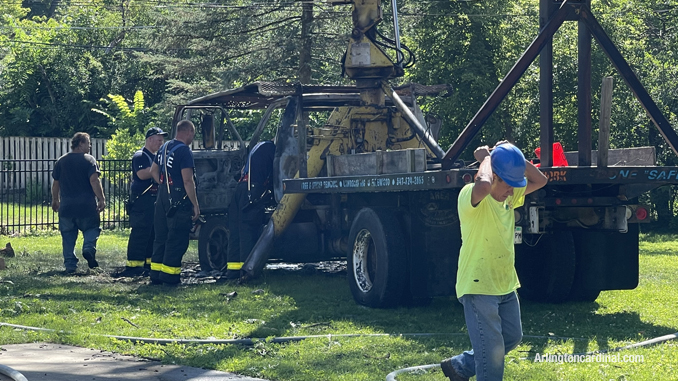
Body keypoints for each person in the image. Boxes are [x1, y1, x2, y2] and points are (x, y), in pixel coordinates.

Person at [440, 142, 548, 381]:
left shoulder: (508, 196)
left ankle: (460, 366)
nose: (512, 192)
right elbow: (484, 184)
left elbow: (540, 180)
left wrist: (514, 158)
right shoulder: (471, 195)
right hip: (479, 285)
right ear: (495, 176)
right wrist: (487, 158)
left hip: (505, 283)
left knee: (512, 337)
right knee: (494, 355)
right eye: (508, 185)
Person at [149, 120, 200, 286]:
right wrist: (195, 204)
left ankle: (156, 274)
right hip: (178, 199)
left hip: (162, 196)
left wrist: (163, 184)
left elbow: (153, 171)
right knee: (177, 237)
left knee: (161, 237)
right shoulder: (184, 151)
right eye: (193, 134)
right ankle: (170, 277)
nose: (193, 137)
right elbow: (188, 181)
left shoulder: (164, 148)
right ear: (188, 132)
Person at [51, 132, 106, 274]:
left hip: (67, 207)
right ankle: (88, 248)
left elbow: (55, 184)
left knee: (68, 236)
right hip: (86, 206)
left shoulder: (61, 161)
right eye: (88, 143)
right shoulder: (89, 160)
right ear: (80, 144)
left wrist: (55, 199)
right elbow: (94, 181)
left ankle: (70, 265)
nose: (90, 145)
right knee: (92, 229)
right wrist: (101, 198)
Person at [117, 127, 167, 277]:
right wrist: (158, 171)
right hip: (142, 201)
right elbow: (143, 174)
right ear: (150, 139)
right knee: (140, 232)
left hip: (153, 200)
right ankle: (134, 265)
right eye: (158, 140)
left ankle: (148, 263)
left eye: (162, 140)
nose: (161, 143)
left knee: (153, 232)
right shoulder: (140, 156)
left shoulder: (156, 157)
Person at [224, 140, 275, 280]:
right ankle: (247, 272)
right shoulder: (271, 149)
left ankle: (233, 272)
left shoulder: (258, 147)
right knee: (248, 231)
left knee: (236, 232)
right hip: (251, 191)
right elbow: (276, 170)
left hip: (240, 189)